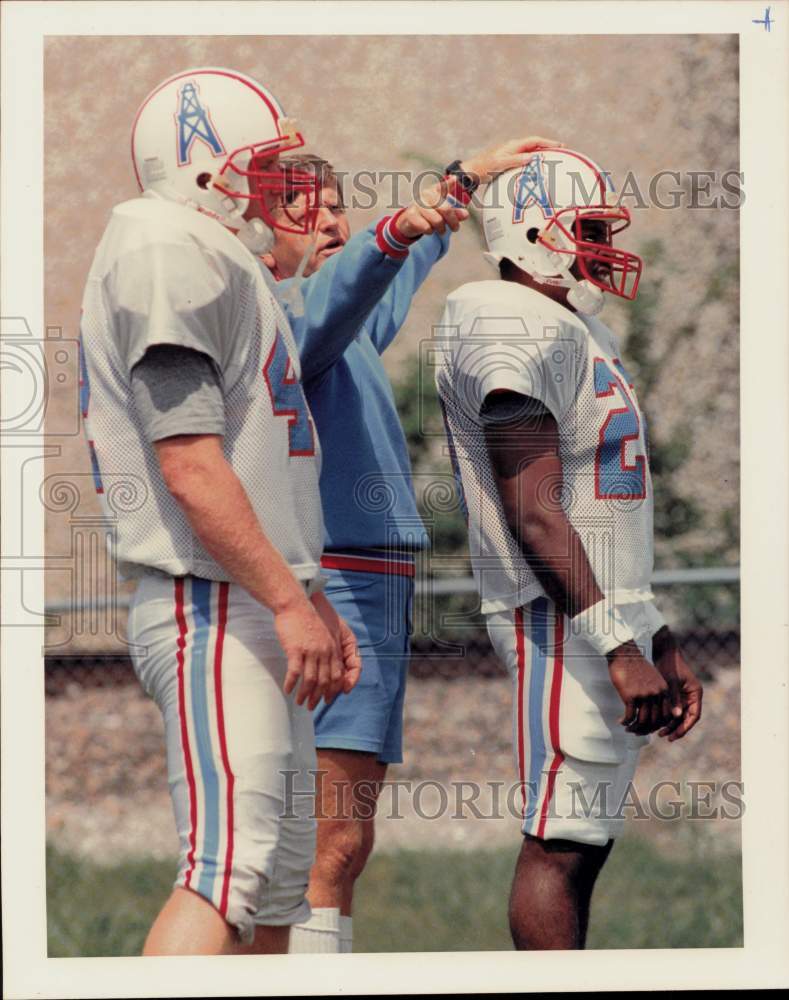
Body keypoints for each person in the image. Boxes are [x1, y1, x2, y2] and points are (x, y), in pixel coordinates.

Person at [79, 66, 466, 956]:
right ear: (201, 169)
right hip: (209, 594)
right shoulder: (162, 245)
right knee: (230, 868)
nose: (278, 192)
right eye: (262, 168)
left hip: (258, 592)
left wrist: (307, 596)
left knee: (283, 880)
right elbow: (189, 462)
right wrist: (294, 601)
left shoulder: (217, 256)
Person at [259, 139, 558, 953]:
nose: (324, 219)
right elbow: (357, 277)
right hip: (340, 586)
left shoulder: (338, 321)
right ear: (254, 234)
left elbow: (383, 275)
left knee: (342, 850)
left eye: (333, 205)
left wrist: (456, 189)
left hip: (374, 587)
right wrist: (398, 227)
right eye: (297, 209)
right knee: (325, 849)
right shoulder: (282, 317)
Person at [434, 148, 703, 949]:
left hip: (602, 616)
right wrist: (616, 644)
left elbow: (609, 505)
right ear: (529, 232)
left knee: (586, 841)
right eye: (583, 227)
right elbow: (536, 510)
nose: (597, 245)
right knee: (558, 842)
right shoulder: (501, 316)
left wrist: (654, 632)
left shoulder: (579, 327)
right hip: (560, 617)